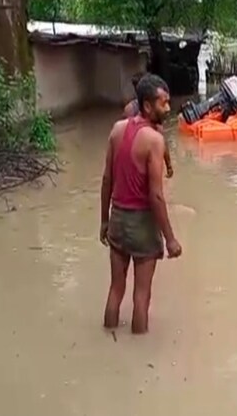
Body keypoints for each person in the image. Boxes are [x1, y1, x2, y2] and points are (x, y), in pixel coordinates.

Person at [101, 73, 183, 334]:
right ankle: (138, 352)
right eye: (163, 103)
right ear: (147, 106)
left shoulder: (117, 129)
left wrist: (104, 220)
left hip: (117, 220)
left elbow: (106, 180)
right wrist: (170, 238)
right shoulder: (155, 141)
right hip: (142, 224)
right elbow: (156, 196)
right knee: (142, 295)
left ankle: (108, 335)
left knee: (116, 288)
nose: (168, 108)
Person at [125, 72, 173, 178]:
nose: (167, 108)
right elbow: (163, 142)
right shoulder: (155, 117)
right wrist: (169, 165)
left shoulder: (129, 109)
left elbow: (125, 136)